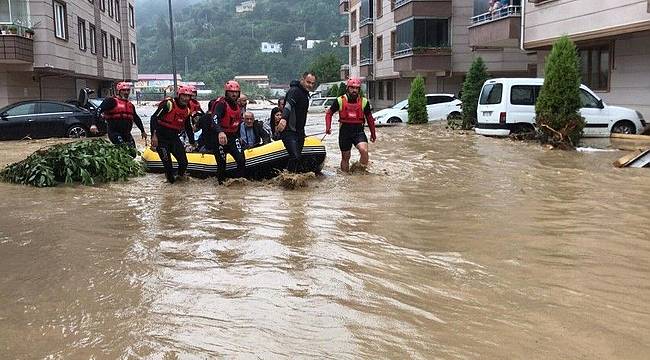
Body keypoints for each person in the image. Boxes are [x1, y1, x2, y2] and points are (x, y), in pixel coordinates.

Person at [325, 77, 377, 172]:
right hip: (345, 132)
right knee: (345, 157)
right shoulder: (340, 100)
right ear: (348, 88)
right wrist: (328, 127)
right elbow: (329, 113)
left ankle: (360, 174)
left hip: (358, 131)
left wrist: (373, 134)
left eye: (357, 88)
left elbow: (369, 118)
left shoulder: (364, 102)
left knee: (364, 151)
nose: (354, 90)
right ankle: (346, 179)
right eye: (352, 88)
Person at [150, 85, 196, 183]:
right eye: (183, 96)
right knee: (168, 167)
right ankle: (170, 185)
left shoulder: (187, 110)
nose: (185, 98)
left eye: (188, 96)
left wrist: (192, 142)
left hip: (174, 139)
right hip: (161, 139)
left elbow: (188, 127)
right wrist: (153, 136)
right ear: (179, 95)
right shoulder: (169, 104)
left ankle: (179, 179)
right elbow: (154, 118)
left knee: (184, 163)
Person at [276, 72, 316, 173]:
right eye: (308, 82)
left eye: (312, 83)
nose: (310, 85)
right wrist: (284, 118)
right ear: (302, 80)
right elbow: (288, 106)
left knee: (298, 159)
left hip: (299, 133)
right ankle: (287, 178)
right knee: (295, 157)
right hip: (289, 131)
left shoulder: (305, 94)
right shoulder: (295, 91)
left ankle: (292, 179)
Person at [91, 82, 147, 151]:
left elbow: (136, 118)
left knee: (133, 153)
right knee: (124, 150)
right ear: (119, 91)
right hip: (114, 132)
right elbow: (98, 110)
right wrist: (93, 124)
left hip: (127, 133)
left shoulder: (130, 105)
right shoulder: (111, 101)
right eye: (124, 90)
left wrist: (142, 131)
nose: (126, 92)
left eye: (128, 90)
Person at [210, 80, 246, 184]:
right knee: (221, 164)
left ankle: (237, 183)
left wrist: (239, 136)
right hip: (219, 137)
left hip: (232, 137)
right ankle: (221, 185)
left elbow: (237, 124)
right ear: (226, 92)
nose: (234, 94)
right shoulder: (221, 104)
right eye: (231, 92)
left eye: (236, 92)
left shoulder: (238, 106)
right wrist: (220, 132)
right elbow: (215, 118)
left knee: (241, 160)